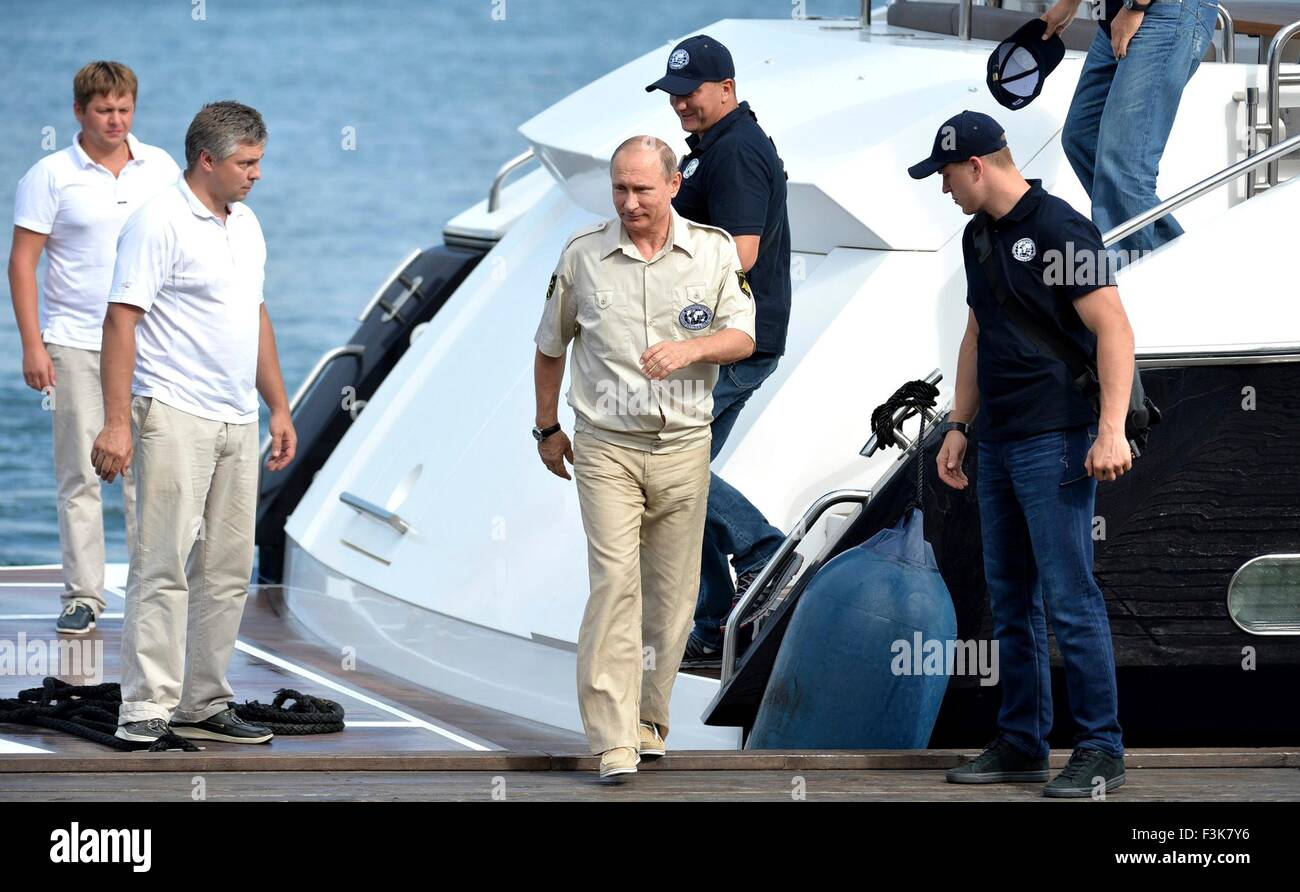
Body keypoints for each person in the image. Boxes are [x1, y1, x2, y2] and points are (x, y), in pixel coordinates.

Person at [911, 111, 1133, 797]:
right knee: (1010, 599)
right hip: (999, 441)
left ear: (976, 165)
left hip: (1058, 438)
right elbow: (977, 332)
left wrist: (1111, 429)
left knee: (1071, 598)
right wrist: (959, 424)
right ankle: (1023, 743)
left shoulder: (1060, 228)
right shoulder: (978, 237)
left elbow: (1114, 329)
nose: (942, 188)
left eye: (945, 175)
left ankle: (1101, 750)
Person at [532, 135, 755, 778]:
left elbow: (744, 336)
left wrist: (693, 350)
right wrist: (547, 429)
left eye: (642, 189)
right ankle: (610, 737)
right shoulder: (582, 257)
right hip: (607, 447)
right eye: (619, 190)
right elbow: (550, 347)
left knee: (672, 596)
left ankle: (649, 721)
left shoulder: (712, 252)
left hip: (685, 446)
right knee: (613, 585)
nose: (629, 202)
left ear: (673, 185)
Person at [91, 100, 297, 745]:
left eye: (259, 161)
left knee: (228, 570)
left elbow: (254, 315)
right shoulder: (158, 222)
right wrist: (117, 424)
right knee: (162, 565)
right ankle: (146, 706)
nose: (256, 174)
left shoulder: (249, 224)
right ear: (207, 160)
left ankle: (203, 702)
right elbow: (120, 320)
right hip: (172, 413)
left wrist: (279, 405)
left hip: (237, 419)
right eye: (246, 162)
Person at [8, 61, 180, 634]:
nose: (115, 119)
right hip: (76, 342)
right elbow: (23, 264)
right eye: (104, 109)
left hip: (148, 341)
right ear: (79, 111)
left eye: (124, 108)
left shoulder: (159, 167)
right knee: (81, 472)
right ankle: (83, 594)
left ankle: (147, 594)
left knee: (147, 474)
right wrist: (33, 345)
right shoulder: (51, 175)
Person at [645, 35, 796, 667]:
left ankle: (765, 551)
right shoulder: (713, 148)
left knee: (670, 465)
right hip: (714, 342)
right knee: (678, 472)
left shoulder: (735, 152)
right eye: (674, 95)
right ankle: (711, 621)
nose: (681, 104)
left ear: (726, 88)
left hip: (735, 343)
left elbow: (742, 252)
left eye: (691, 93)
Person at [1044, 0, 1219, 256]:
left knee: (1124, 161)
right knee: (1082, 137)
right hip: (1118, 13)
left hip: (1160, 10)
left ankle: (1128, 283)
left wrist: (1136, 6)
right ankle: (1174, 260)